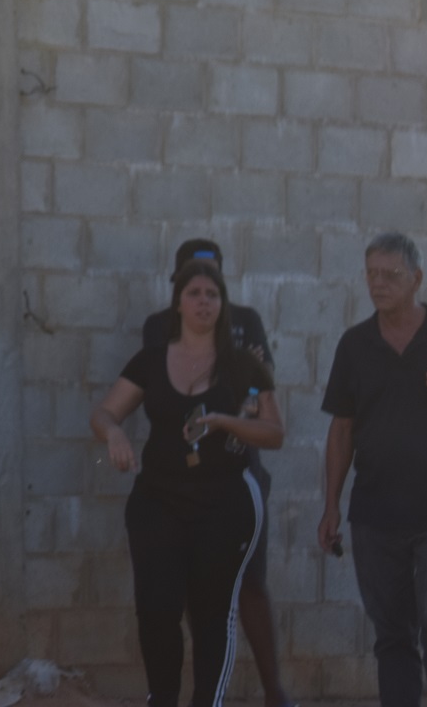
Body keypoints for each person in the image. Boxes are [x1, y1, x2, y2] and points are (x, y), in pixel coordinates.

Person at [92, 259, 282, 707]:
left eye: (212, 295)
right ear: (178, 303)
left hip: (225, 504)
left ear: (223, 305)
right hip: (158, 501)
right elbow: (104, 413)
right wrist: (114, 434)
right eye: (194, 293)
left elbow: (274, 433)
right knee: (156, 609)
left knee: (213, 613)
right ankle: (162, 698)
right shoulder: (151, 360)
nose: (203, 302)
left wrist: (225, 422)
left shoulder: (244, 366)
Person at [140, 238, 291, 707]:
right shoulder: (158, 327)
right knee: (193, 595)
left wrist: (233, 414)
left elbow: (260, 388)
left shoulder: (246, 321)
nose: (203, 297)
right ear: (178, 286)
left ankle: (274, 692)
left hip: (236, 472)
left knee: (250, 584)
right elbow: (162, 389)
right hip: (178, 480)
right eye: (193, 285)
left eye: (212, 285)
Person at [320, 231, 427, 707]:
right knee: (393, 633)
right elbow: (341, 430)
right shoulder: (355, 345)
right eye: (371, 275)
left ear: (416, 279)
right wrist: (330, 505)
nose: (378, 284)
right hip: (376, 512)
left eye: (390, 275)